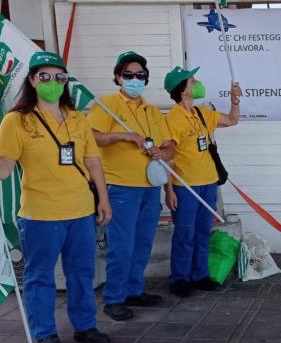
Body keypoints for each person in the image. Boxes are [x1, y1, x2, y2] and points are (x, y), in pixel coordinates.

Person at [0, 51, 112, 343]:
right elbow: (5, 165)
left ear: (65, 82)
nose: (52, 82)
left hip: (80, 212)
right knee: (40, 277)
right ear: (32, 80)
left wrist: (103, 199)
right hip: (40, 215)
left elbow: (92, 161)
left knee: (82, 273)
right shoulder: (17, 121)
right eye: (45, 76)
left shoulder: (77, 118)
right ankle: (44, 333)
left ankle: (85, 326)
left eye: (59, 77)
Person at [87, 51, 175, 321]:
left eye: (140, 75)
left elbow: (170, 145)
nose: (135, 79)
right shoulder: (107, 104)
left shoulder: (152, 111)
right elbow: (91, 137)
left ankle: (134, 290)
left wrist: (163, 153)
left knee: (142, 242)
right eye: (129, 74)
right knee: (121, 245)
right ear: (118, 77)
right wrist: (123, 135)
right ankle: (114, 298)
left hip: (150, 186)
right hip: (121, 188)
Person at [162, 66, 241, 297]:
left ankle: (199, 275)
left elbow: (232, 120)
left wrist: (234, 100)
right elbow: (167, 156)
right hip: (184, 185)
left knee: (203, 231)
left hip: (208, 182)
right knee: (185, 233)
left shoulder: (201, 112)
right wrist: (169, 190)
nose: (197, 83)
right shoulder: (173, 119)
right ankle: (179, 279)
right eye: (192, 81)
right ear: (182, 90)